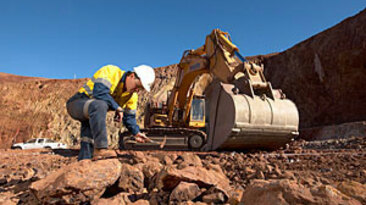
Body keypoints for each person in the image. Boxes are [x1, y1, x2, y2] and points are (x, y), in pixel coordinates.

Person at [66, 64, 155, 160]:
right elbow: (99, 92)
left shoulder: (132, 96)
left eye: (140, 89)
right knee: (99, 105)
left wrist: (136, 132)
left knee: (88, 138)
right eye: (138, 86)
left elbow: (129, 117)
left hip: (92, 111)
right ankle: (100, 148)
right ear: (132, 76)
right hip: (77, 103)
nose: (137, 90)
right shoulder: (111, 72)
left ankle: (85, 159)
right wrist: (118, 108)